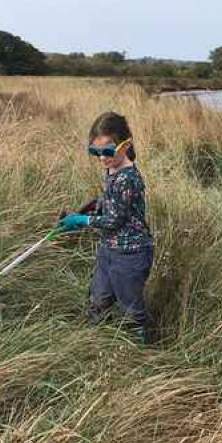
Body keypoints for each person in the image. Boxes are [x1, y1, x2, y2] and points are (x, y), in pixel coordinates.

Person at [59, 111, 156, 344]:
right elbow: (108, 201)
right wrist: (91, 208)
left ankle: (142, 348)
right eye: (95, 152)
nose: (102, 158)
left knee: (131, 306)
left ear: (126, 145)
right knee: (98, 297)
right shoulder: (112, 168)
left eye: (107, 151)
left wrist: (82, 222)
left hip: (130, 253)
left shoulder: (128, 178)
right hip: (108, 249)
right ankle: (94, 339)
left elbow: (114, 220)